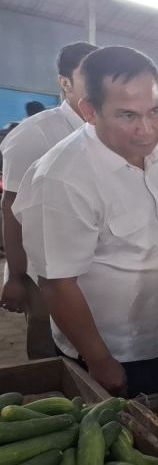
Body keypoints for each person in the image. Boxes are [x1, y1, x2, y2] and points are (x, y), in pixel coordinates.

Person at [13, 46, 158, 396]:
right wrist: (99, 359)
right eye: (127, 116)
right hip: (111, 350)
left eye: (155, 110)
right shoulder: (62, 178)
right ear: (90, 111)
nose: (146, 129)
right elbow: (58, 284)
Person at [0, 41, 98, 359]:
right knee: (52, 350)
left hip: (92, 268)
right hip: (45, 273)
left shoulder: (108, 129)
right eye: (88, 74)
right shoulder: (34, 136)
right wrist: (16, 277)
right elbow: (11, 209)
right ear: (64, 82)